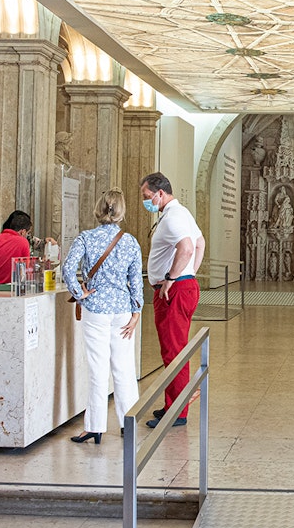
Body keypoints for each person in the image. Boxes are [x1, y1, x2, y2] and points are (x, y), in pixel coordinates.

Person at [61, 189, 143, 444]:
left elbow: (67, 267)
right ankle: (128, 423)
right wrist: (137, 310)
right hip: (121, 310)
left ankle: (94, 426)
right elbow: (135, 280)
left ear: (98, 209)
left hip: (95, 308)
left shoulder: (86, 238)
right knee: (124, 368)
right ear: (121, 211)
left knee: (98, 368)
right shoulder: (130, 241)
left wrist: (79, 292)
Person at [139, 172, 205, 429]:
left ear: (160, 193)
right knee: (174, 347)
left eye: (147, 197)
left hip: (174, 290)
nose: (146, 202)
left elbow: (188, 247)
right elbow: (200, 243)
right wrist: (190, 272)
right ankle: (173, 404)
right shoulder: (180, 213)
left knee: (173, 351)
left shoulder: (174, 217)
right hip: (183, 285)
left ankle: (177, 411)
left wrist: (172, 277)